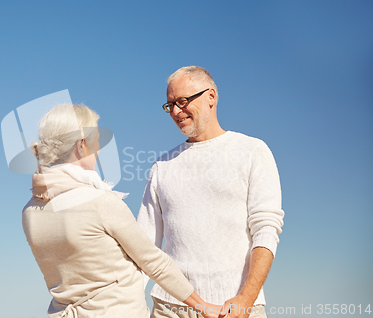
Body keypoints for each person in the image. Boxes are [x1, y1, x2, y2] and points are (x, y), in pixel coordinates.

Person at [22, 104, 222, 318]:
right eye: (96, 140)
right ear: (81, 145)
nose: (98, 150)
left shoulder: (30, 212)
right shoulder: (100, 203)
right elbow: (155, 263)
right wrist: (203, 306)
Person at [137, 66, 285, 318]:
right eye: (169, 105)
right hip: (169, 309)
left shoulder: (252, 151)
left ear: (211, 97)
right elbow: (144, 244)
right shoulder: (162, 167)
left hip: (238, 307)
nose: (175, 111)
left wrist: (246, 299)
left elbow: (266, 229)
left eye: (182, 101)